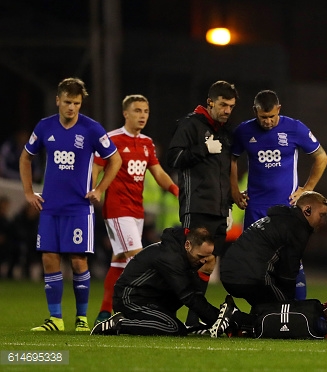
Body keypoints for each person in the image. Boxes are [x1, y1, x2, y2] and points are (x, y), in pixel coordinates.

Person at [19, 77, 122, 332]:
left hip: (79, 208)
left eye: (76, 103)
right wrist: (29, 192)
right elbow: (25, 158)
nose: (71, 108)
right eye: (67, 102)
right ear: (58, 100)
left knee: (78, 261)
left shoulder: (92, 129)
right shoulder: (44, 127)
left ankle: (81, 319)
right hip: (50, 207)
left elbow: (115, 160)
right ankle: (55, 319)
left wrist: (99, 189)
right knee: (50, 260)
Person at [230, 90, 327, 301]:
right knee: (255, 265)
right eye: (263, 117)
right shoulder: (244, 131)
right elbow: (232, 159)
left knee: (292, 261)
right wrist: (234, 191)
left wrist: (306, 189)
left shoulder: (294, 128)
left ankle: (298, 311)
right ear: (254, 111)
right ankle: (261, 314)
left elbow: (321, 157)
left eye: (272, 116)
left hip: (286, 209)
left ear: (279, 110)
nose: (268, 121)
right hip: (255, 208)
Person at [92, 95, 179, 325]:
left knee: (119, 261)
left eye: (146, 111)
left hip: (136, 210)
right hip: (117, 209)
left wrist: (177, 191)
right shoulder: (112, 139)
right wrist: (94, 190)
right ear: (126, 113)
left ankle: (104, 311)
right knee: (139, 259)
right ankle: (148, 308)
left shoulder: (147, 143)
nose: (142, 115)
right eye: (138, 110)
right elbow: (97, 167)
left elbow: (158, 173)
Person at [167, 80, 238, 327]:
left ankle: (193, 319)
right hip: (196, 206)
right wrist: (202, 149)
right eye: (223, 105)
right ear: (210, 103)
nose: (227, 110)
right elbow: (173, 157)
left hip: (218, 209)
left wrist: (228, 205)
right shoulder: (190, 125)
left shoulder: (226, 132)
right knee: (190, 262)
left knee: (208, 263)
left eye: (231, 106)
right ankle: (167, 311)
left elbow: (225, 173)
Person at [212, 191, 327, 337]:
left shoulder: (281, 219)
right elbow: (288, 272)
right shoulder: (297, 227)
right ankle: (235, 317)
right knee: (285, 316)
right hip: (251, 275)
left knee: (267, 310)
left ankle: (239, 323)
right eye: (322, 215)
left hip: (231, 272)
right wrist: (289, 303)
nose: (323, 221)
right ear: (307, 210)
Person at [91, 227, 222, 336]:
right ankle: (119, 324)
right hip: (129, 299)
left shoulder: (181, 255)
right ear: (188, 245)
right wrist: (218, 319)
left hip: (148, 300)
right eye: (201, 256)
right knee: (173, 328)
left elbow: (192, 294)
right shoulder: (170, 257)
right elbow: (189, 296)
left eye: (207, 257)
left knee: (176, 323)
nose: (204, 261)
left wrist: (218, 319)